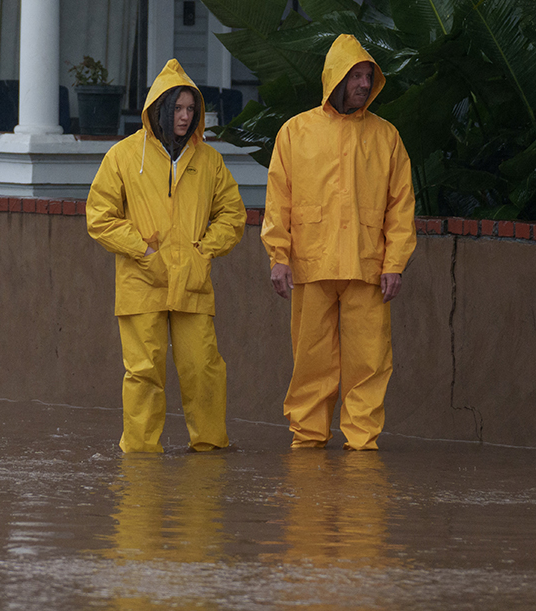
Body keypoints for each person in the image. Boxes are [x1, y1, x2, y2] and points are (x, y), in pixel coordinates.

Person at [85, 59, 247, 453]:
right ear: (159, 109)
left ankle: (209, 449)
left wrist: (203, 251)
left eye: (191, 109)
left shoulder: (209, 161)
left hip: (191, 283)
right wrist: (142, 250)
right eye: (177, 108)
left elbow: (233, 214)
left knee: (204, 369)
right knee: (143, 374)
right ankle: (140, 456)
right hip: (142, 283)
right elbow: (99, 216)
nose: (185, 116)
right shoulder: (123, 157)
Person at [262, 34, 415, 451]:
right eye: (356, 76)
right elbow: (279, 201)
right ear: (335, 79)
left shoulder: (387, 137)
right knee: (311, 362)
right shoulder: (296, 132)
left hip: (368, 268)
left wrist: (395, 263)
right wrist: (279, 257)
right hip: (312, 266)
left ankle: (362, 445)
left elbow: (401, 207)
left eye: (368, 76)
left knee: (369, 363)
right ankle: (308, 440)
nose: (364, 84)